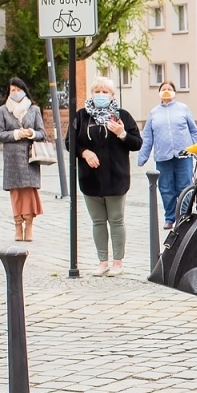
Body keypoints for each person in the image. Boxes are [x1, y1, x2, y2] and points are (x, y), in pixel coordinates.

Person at [70, 77, 142, 275]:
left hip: (116, 178)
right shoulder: (81, 116)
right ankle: (102, 261)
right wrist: (84, 153)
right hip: (90, 179)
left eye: (105, 92)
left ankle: (118, 262)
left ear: (112, 96)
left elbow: (137, 143)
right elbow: (70, 142)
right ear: (91, 94)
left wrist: (122, 133)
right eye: (97, 91)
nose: (101, 95)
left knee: (116, 220)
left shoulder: (122, 116)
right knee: (98, 221)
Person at [138, 81, 197, 230]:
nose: (166, 91)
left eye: (169, 89)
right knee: (166, 189)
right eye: (163, 89)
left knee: (184, 187)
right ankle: (169, 218)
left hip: (183, 156)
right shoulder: (154, 113)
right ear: (159, 92)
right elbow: (148, 137)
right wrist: (142, 157)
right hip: (163, 157)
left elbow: (194, 131)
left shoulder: (183, 109)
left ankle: (185, 216)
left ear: (174, 92)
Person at [0, 77, 46, 242]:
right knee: (16, 193)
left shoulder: (34, 109)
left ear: (24, 90)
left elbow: (42, 133)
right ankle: (18, 225)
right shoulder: (2, 110)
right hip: (12, 159)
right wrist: (16, 134)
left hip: (29, 157)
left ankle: (29, 225)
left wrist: (31, 133)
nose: (15, 93)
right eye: (12, 90)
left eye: (18, 89)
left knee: (29, 192)